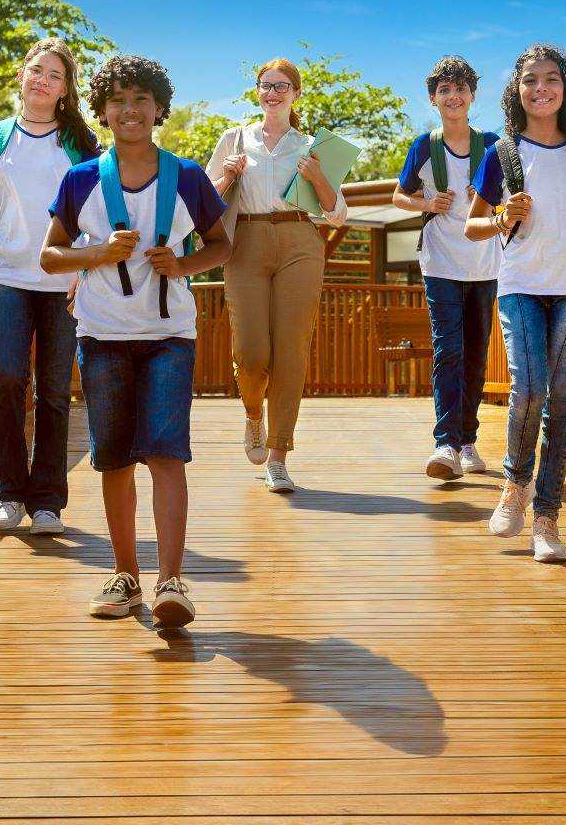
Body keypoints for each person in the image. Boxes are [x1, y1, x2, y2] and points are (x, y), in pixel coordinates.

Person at [41, 54, 231, 626]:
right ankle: (126, 576)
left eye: (141, 100)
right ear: (101, 111)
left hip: (169, 334)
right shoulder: (80, 180)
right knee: (114, 459)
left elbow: (223, 246)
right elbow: (50, 257)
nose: (130, 110)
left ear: (159, 109)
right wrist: (98, 253)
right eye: (118, 100)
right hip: (102, 334)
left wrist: (184, 263)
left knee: (167, 453)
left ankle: (172, 582)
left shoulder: (189, 176)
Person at [465, 44, 566, 562]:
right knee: (528, 388)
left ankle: (547, 522)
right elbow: (472, 225)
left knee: (561, 399)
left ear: (564, 89)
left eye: (551, 79)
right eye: (531, 80)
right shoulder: (502, 153)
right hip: (521, 283)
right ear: (519, 91)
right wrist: (503, 216)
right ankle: (514, 486)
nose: (541, 88)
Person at [0, 37, 98, 536]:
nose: (42, 79)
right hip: (8, 276)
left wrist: (85, 271)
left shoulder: (79, 142)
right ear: (21, 75)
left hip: (62, 279)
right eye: (36, 70)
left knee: (55, 392)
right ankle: (9, 494)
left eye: (54, 75)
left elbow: (97, 213)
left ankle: (47, 503)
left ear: (65, 91)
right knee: (9, 380)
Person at [205, 57, 348, 494]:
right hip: (245, 243)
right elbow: (203, 203)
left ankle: (279, 456)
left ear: (296, 94)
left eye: (282, 86)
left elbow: (337, 213)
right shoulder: (234, 139)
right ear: (257, 92)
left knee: (291, 351)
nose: (273, 92)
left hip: (300, 244)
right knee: (250, 352)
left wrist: (320, 177)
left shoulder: (312, 145)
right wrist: (227, 177)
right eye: (266, 85)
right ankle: (253, 415)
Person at [393, 55, 500, 482]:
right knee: (448, 349)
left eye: (460, 89)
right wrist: (426, 203)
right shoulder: (425, 145)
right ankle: (446, 443)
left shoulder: (492, 144)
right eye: (445, 90)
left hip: (486, 261)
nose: (453, 96)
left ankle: (469, 440)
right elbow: (401, 196)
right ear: (433, 99)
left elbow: (515, 195)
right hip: (439, 260)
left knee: (476, 353)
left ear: (472, 96)